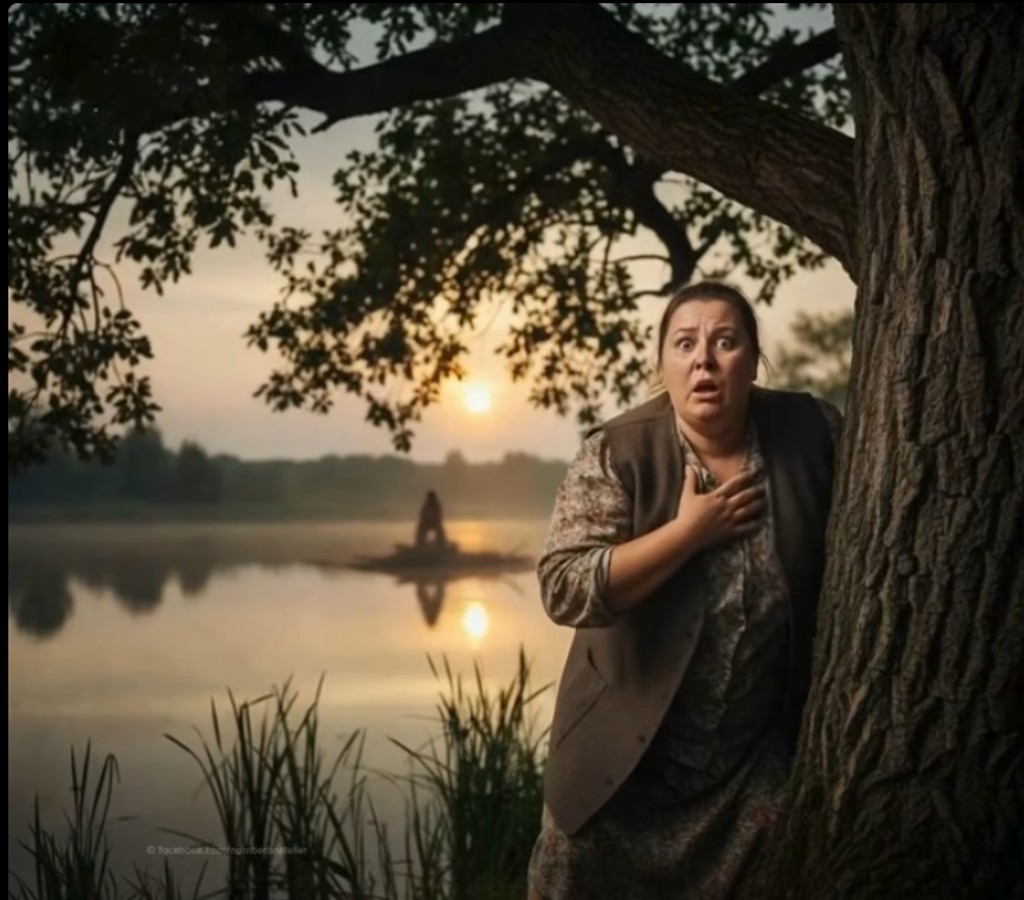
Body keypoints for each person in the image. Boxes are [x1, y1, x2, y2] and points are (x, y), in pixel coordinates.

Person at [526, 281, 843, 900]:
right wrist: (686, 534)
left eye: (726, 342)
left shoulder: (814, 433)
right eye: (685, 343)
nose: (704, 359)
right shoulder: (615, 453)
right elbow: (563, 590)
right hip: (621, 771)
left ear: (754, 360)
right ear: (662, 364)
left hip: (747, 771)